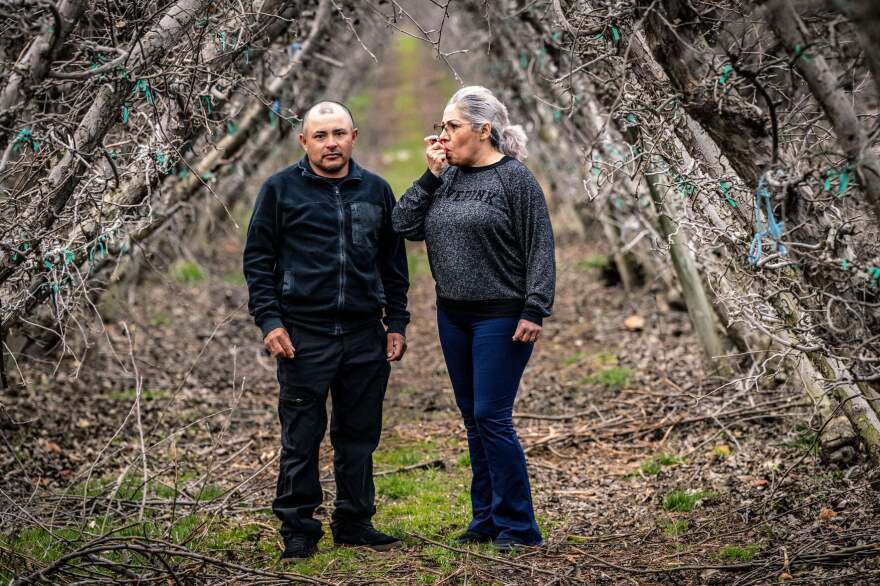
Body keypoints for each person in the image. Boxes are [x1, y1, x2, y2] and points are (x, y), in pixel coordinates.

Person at [243, 100, 410, 560]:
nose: (331, 143)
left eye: (339, 133)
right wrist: (270, 321)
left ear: (354, 137)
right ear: (304, 141)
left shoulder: (376, 190)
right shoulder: (279, 190)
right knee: (301, 437)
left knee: (359, 435)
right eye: (320, 135)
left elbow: (393, 265)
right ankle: (299, 529)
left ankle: (355, 522)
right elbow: (258, 261)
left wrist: (395, 322)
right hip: (303, 336)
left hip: (363, 335)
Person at [392, 86, 555, 551]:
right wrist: (429, 176)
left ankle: (519, 527)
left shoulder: (514, 180)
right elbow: (403, 226)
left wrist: (535, 307)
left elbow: (540, 245)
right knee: (473, 419)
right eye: (441, 126)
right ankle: (485, 519)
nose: (442, 135)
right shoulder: (446, 179)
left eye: (451, 126)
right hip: (454, 315)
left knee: (492, 415)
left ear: (483, 130)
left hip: (501, 316)